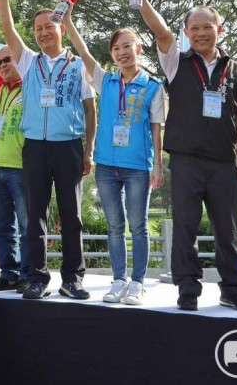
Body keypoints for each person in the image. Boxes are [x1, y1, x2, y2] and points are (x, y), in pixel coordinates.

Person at [136, 0, 237, 312]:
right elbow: (160, 32)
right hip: (186, 161)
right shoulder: (176, 63)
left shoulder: (236, 69)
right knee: (186, 228)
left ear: (220, 29)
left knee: (227, 231)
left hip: (223, 163)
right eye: (195, 29)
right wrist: (143, 0)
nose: (202, 33)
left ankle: (233, 289)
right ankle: (187, 289)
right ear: (186, 33)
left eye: (208, 27)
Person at [0, 0, 97, 301]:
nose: (42, 33)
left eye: (48, 27)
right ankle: (38, 277)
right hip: (35, 148)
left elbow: (89, 108)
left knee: (72, 215)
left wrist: (89, 150)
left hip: (68, 146)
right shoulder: (27, 62)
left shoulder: (77, 65)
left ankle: (73, 278)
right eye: (38, 29)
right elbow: (8, 30)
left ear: (61, 29)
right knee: (35, 214)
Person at [65, 23, 165, 305]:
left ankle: (137, 283)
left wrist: (157, 165)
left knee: (139, 226)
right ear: (111, 53)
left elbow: (157, 128)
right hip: (106, 166)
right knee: (114, 226)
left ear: (139, 49)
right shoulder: (105, 81)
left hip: (137, 167)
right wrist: (69, 20)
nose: (122, 53)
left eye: (127, 46)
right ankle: (119, 280)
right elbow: (82, 51)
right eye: (116, 48)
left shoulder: (153, 87)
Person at [0, 14, 29, 293]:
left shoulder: (31, 85)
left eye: (7, 60)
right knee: (0, 225)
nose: (1, 65)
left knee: (26, 225)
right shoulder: (0, 87)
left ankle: (28, 272)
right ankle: (9, 272)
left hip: (21, 167)